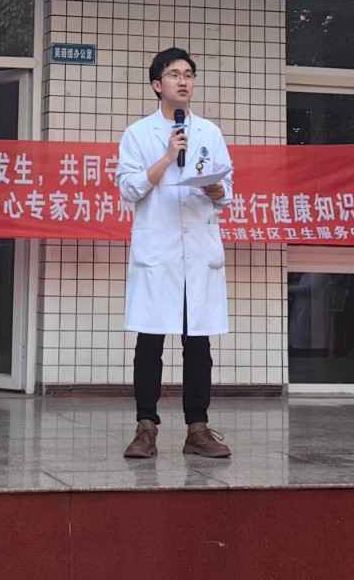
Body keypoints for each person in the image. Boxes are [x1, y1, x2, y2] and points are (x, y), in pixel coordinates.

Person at [116, 47, 234, 459]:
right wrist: (168, 156)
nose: (183, 81)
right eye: (173, 75)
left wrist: (218, 189)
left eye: (188, 74)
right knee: (149, 343)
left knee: (197, 345)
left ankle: (197, 429)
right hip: (158, 252)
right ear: (157, 85)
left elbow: (227, 189)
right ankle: (145, 428)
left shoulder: (210, 133)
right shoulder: (138, 134)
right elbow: (129, 188)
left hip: (198, 252)